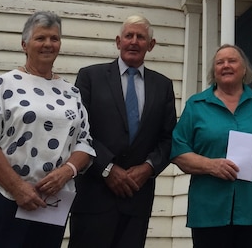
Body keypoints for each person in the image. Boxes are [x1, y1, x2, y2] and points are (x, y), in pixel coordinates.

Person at [0, 11, 95, 248]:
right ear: (24, 44)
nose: (48, 44)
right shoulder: (5, 84)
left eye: (54, 39)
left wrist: (67, 171)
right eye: (40, 38)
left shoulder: (71, 93)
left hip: (51, 203)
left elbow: (85, 143)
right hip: (3, 196)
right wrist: (17, 187)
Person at [69, 15, 177, 248]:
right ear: (119, 42)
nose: (134, 42)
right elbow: (79, 130)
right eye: (129, 36)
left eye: (141, 37)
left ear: (151, 45)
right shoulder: (90, 77)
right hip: (93, 197)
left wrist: (148, 168)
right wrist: (107, 168)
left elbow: (168, 138)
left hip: (136, 197)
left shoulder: (163, 85)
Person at [171, 44, 252, 248]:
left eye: (232, 61)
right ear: (214, 71)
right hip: (209, 210)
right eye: (220, 62)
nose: (226, 65)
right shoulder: (196, 105)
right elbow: (179, 152)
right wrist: (211, 166)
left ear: (244, 69)